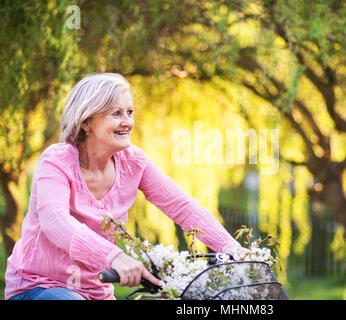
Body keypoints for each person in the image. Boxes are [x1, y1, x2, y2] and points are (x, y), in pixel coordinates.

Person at [5, 73, 247, 300]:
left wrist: (234, 249)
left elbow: (183, 207)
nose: (127, 122)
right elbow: (55, 221)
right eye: (116, 114)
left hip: (96, 292)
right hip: (39, 285)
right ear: (87, 121)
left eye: (129, 112)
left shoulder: (134, 162)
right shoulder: (57, 160)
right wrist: (115, 257)